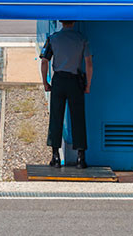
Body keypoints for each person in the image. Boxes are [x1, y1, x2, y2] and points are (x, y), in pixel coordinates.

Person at [40, 19, 93, 169]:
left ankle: (55, 156)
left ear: (60, 22)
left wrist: (45, 82)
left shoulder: (53, 38)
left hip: (59, 81)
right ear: (74, 21)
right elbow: (88, 63)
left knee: (56, 117)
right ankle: (80, 158)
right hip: (75, 81)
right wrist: (88, 85)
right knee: (78, 117)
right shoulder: (82, 38)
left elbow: (44, 61)